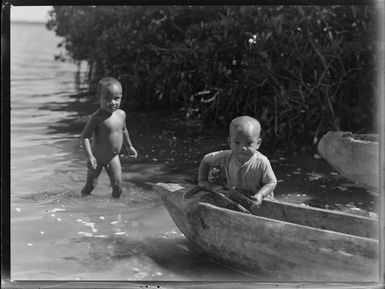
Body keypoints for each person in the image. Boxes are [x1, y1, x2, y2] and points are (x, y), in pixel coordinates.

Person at [198, 115, 277, 206]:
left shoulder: (261, 162)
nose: (243, 148)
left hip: (260, 201)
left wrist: (260, 194)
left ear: (258, 143)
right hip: (238, 199)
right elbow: (205, 160)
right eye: (237, 142)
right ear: (230, 142)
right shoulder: (226, 156)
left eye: (249, 143)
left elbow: (271, 182)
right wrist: (202, 180)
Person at [80, 77, 138, 198]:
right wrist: (89, 157)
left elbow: (124, 130)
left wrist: (129, 146)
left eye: (116, 98)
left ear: (121, 97)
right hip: (97, 159)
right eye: (107, 98)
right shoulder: (97, 117)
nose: (112, 102)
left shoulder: (121, 114)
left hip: (113, 157)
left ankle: (117, 213)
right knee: (91, 185)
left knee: (118, 187)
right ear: (98, 98)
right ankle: (82, 202)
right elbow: (85, 137)